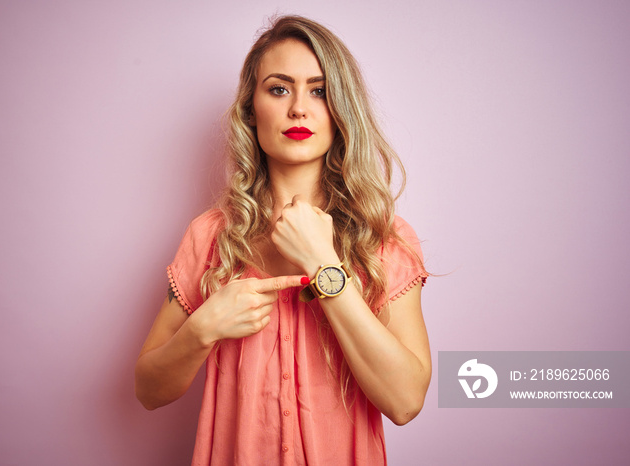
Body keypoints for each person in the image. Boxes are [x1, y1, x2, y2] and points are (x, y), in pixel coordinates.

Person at [135, 15, 431, 465]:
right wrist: (202, 328)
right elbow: (148, 390)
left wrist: (323, 263)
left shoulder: (383, 238)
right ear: (251, 110)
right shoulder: (212, 236)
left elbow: (406, 401)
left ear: (340, 109)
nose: (298, 108)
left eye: (319, 90)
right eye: (278, 88)